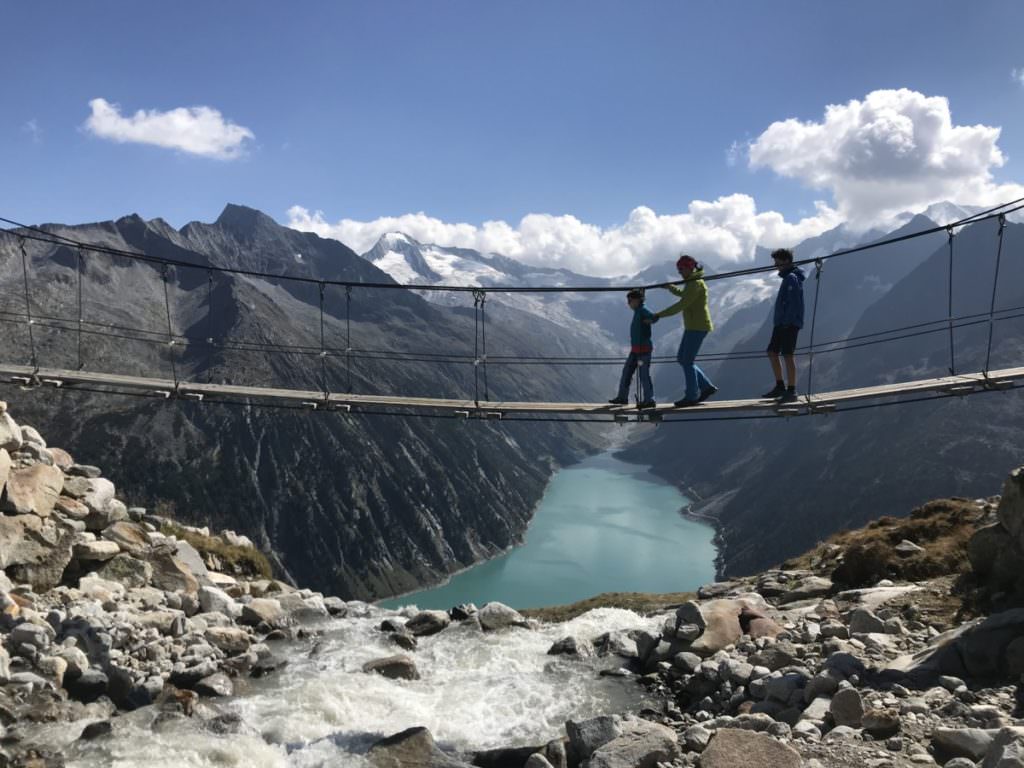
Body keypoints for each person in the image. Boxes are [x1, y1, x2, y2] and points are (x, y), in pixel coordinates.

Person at [648, 254, 717, 407]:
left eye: (681, 268)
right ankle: (706, 387)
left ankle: (692, 395)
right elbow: (685, 295)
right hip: (693, 326)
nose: (679, 272)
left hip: (697, 326)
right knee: (683, 359)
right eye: (678, 269)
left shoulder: (695, 283)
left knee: (687, 361)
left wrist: (658, 315)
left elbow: (682, 304)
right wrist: (671, 288)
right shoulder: (692, 282)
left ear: (690, 267)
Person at [761, 247, 806, 404]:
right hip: (782, 323)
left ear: (786, 261)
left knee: (787, 355)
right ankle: (780, 386)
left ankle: (791, 390)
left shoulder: (791, 278)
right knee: (772, 351)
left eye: (777, 261)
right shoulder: (788, 278)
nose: (775, 265)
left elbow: (794, 303)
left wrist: (787, 322)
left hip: (788, 324)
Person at [608, 289, 656, 408]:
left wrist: (650, 320)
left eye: (630, 300)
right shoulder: (638, 311)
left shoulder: (643, 310)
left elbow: (654, 317)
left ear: (637, 300)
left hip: (642, 352)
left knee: (642, 375)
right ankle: (623, 397)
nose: (628, 303)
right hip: (636, 351)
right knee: (628, 373)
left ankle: (649, 400)